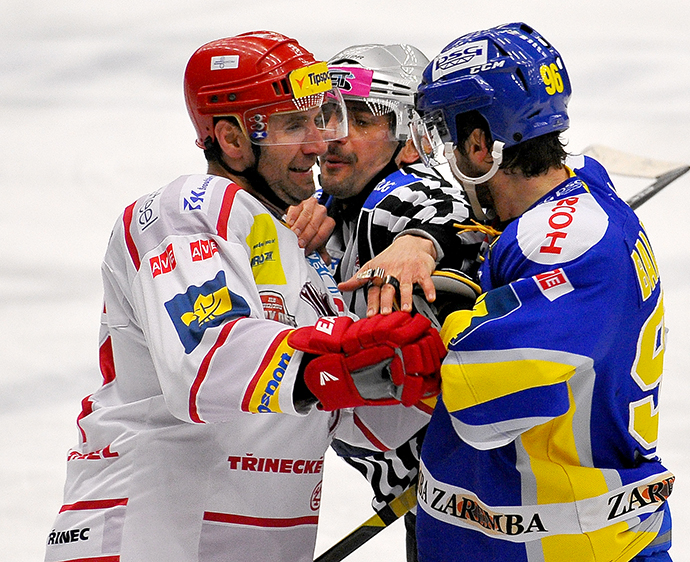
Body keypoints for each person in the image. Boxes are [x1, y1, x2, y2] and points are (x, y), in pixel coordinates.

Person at [43, 31, 445, 562]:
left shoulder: (307, 261)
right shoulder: (187, 210)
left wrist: (430, 364)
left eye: (319, 118)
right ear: (232, 140)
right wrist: (340, 355)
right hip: (146, 537)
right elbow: (207, 361)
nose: (318, 144)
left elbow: (357, 419)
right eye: (293, 125)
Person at [410, 22, 674, 562]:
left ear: (479, 144)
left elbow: (481, 400)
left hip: (565, 548)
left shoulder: (569, 241)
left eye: (448, 136)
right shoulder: (574, 206)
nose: (447, 159)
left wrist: (458, 312)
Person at [286, 43, 484, 562]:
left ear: (410, 138)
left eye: (362, 119)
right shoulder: (335, 207)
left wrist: (424, 240)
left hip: (468, 505)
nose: (334, 135)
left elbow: (452, 213)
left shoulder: (396, 200)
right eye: (328, 115)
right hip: (437, 498)